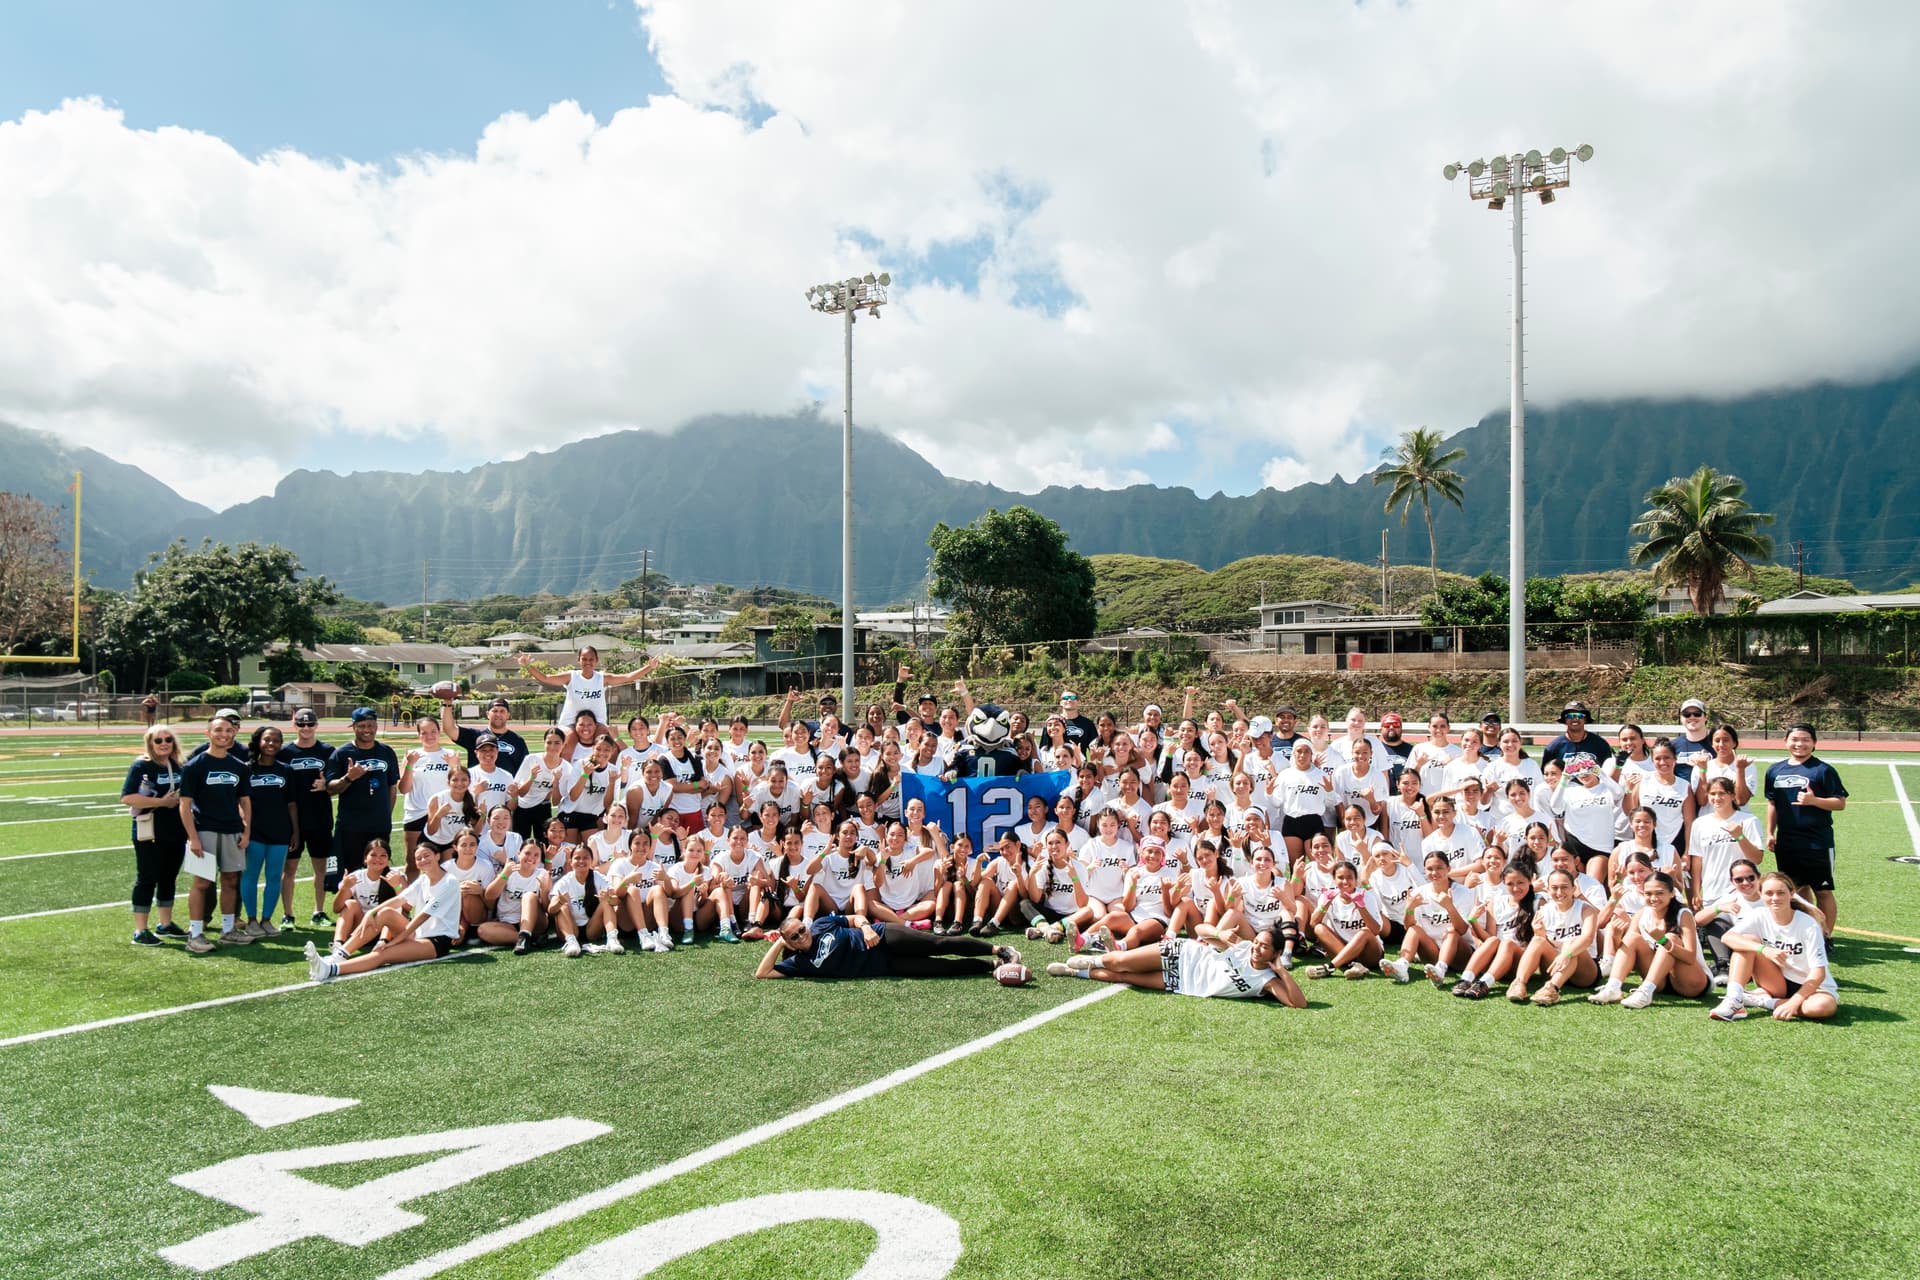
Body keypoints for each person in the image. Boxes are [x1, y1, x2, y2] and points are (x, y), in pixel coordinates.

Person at [305, 843, 462, 980]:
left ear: (437, 856)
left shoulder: (449, 882)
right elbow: (399, 900)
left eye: (426, 856)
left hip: (435, 942)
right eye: (418, 858)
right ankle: (339, 955)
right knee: (385, 912)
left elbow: (421, 917)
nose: (422, 860)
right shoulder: (423, 879)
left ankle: (330, 970)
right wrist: (370, 913)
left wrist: (395, 941)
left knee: (383, 954)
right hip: (418, 934)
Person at [1049, 925, 1304, 1006]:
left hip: (1185, 983)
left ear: (1276, 952)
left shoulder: (1268, 980)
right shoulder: (1242, 945)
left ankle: (1075, 971)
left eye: (1264, 947)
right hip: (1184, 954)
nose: (1257, 949)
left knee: (1122, 977)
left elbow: (1298, 1004)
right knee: (1121, 962)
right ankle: (1092, 959)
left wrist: (1281, 970)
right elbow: (1199, 929)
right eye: (1257, 942)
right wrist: (1220, 934)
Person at [1709, 871, 1839, 1022]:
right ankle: (1734, 1000)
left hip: (1813, 988)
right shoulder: (1759, 915)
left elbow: (1818, 973)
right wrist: (1764, 949)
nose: (1775, 898)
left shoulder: (1808, 924)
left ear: (1792, 893)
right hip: (1778, 982)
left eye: (1781, 893)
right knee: (1746, 941)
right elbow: (1727, 937)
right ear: (1761, 894)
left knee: (1822, 1007)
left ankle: (1764, 1001)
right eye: (1769, 893)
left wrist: (1794, 1002)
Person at [757, 911, 1024, 979]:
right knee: (939, 968)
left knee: (938, 943)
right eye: (794, 937)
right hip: (885, 965)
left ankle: (999, 950)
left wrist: (864, 928)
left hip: (883, 936)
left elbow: (854, 917)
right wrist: (779, 943)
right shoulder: (799, 963)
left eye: (800, 929)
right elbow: (763, 973)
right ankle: (994, 965)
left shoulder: (821, 925)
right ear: (789, 943)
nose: (802, 935)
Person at [1764, 723, 1847, 939]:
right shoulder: (1775, 770)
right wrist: (1770, 832)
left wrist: (1814, 801)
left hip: (1817, 841)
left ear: (1814, 743)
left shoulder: (1823, 770)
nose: (1799, 744)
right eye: (1795, 739)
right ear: (1785, 742)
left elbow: (1840, 803)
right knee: (1797, 891)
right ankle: (1808, 933)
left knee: (1823, 890)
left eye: (1805, 740)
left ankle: (1826, 936)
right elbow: (1772, 804)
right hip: (1787, 841)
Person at [179, 715, 253, 952]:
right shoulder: (195, 766)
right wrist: (193, 837)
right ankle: (196, 934)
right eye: (219, 730)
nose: (224, 734)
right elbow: (184, 805)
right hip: (205, 830)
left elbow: (245, 801)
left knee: (231, 880)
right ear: (208, 733)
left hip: (232, 830)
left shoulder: (239, 766)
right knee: (202, 882)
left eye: (229, 730)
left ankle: (228, 930)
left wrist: (246, 830)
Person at [1589, 871, 1710, 1008]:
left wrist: (1663, 940)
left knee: (1671, 938)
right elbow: (1628, 950)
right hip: (1660, 982)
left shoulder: (1683, 914)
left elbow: (1690, 957)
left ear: (1672, 893)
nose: (1653, 898)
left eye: (1659, 893)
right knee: (1633, 938)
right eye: (1648, 893)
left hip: (1691, 983)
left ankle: (1645, 992)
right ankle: (1613, 988)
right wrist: (1616, 937)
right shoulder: (1642, 914)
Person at [123, 724, 188, 947]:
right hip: (149, 830)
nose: (164, 744)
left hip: (176, 830)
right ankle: (140, 930)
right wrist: (162, 802)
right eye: (158, 740)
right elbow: (128, 798)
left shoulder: (178, 765)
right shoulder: (142, 765)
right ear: (149, 743)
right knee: (147, 878)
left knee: (169, 877)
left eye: (168, 739)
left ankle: (165, 923)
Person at [324, 707, 399, 898]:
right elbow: (330, 788)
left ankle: (377, 914)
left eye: (371, 725)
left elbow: (392, 787)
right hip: (351, 825)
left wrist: (385, 815)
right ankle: (351, 913)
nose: (367, 729)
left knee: (379, 869)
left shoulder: (386, 752)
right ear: (354, 727)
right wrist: (348, 778)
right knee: (352, 872)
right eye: (362, 726)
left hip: (379, 824)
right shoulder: (342, 753)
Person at [517, 645, 659, 738]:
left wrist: (649, 667)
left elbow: (628, 677)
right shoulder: (571, 676)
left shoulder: (602, 678)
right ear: (579, 660)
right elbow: (545, 678)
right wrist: (527, 665)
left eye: (591, 659)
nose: (587, 662)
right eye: (584, 659)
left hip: (597, 723)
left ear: (596, 660)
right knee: (569, 740)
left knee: (605, 741)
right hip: (570, 723)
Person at [1508, 868, 1601, 1005]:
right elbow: (1543, 946)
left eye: (1564, 887)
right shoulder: (1544, 911)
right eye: (1554, 888)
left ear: (1573, 888)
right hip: (1555, 967)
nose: (1559, 892)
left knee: (1572, 943)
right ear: (1547, 889)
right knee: (1537, 940)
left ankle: (1552, 989)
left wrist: (1566, 954)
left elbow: (1587, 939)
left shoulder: (1586, 909)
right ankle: (1519, 983)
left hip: (1584, 971)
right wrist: (1540, 934)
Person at [240, 726, 298, 938]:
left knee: (274, 876)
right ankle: (252, 920)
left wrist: (295, 831)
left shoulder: (286, 770)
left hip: (280, 831)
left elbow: (291, 804)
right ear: (258, 742)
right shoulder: (246, 769)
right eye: (267, 740)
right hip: (254, 831)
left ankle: (266, 919)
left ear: (281, 744)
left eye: (276, 740)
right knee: (251, 875)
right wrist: (244, 828)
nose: (271, 744)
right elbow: (240, 802)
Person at [279, 709, 335, 927]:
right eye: (301, 725)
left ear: (316, 725)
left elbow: (336, 782)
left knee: (320, 869)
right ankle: (288, 915)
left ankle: (318, 912)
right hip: (291, 820)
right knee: (289, 869)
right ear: (294, 725)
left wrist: (327, 785)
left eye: (310, 724)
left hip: (320, 818)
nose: (306, 729)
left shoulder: (328, 751)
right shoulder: (284, 753)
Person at [477, 840, 551, 954]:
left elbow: (547, 909)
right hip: (508, 923)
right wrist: (504, 875)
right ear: (519, 853)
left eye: (536, 855)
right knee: (482, 930)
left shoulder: (542, 874)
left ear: (540, 858)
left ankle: (526, 934)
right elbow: (489, 896)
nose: (531, 857)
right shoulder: (509, 871)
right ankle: (528, 939)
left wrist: (545, 891)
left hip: (536, 923)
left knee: (529, 896)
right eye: (527, 853)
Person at [440, 692, 529, 777]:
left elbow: (525, 769)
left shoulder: (517, 740)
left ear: (508, 715)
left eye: (502, 711)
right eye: (494, 711)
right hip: (477, 789)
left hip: (506, 790)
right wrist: (447, 704)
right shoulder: (475, 736)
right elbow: (449, 729)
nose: (498, 714)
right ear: (487, 714)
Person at [1542, 701, 1609, 775]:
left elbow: (1607, 773)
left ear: (1585, 719)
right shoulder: (1554, 747)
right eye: (1570, 716)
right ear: (1565, 720)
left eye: (1579, 716)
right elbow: (1545, 774)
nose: (1575, 719)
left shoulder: (1600, 744)